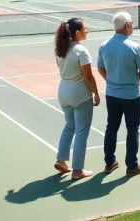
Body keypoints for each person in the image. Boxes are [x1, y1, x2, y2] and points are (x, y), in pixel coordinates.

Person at [97, 11, 140, 176]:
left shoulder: (104, 45)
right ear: (127, 26)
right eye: (132, 23)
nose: (132, 25)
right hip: (132, 95)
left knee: (111, 127)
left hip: (111, 94)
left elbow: (100, 68)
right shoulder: (133, 46)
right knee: (132, 130)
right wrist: (133, 79)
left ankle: (109, 163)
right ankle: (132, 166)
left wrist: (111, 80)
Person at [53, 18, 100, 180]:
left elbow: (62, 69)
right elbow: (88, 75)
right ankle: (78, 170)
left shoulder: (60, 49)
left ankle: (61, 160)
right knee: (81, 132)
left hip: (63, 93)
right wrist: (96, 93)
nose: (87, 31)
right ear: (77, 32)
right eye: (85, 29)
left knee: (69, 126)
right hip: (79, 95)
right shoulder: (81, 51)